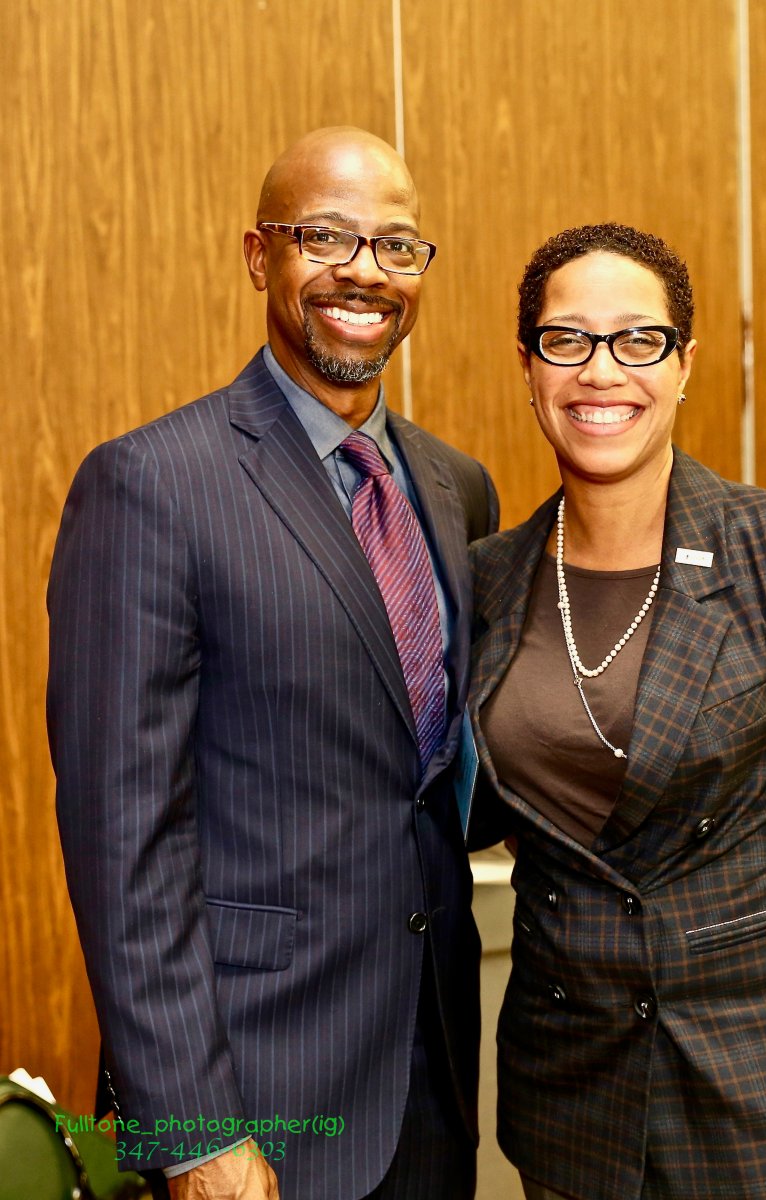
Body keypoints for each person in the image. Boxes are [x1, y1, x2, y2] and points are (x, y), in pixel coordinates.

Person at [47, 126, 498, 1200]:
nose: (364, 271)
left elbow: (433, 775)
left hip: (432, 1059)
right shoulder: (152, 485)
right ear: (260, 256)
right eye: (325, 236)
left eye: (397, 245)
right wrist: (196, 1131)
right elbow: (124, 840)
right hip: (256, 1085)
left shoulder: (455, 487)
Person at [467, 223, 766, 1200]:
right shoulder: (487, 581)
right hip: (570, 1089)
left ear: (685, 364)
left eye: (639, 340)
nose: (603, 371)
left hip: (761, 1085)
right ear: (528, 366)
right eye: (568, 340)